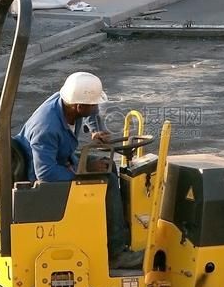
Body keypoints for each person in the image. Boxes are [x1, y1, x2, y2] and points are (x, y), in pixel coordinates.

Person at [14, 71, 143, 269]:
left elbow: (90, 113)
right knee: (105, 178)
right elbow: (45, 173)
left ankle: (115, 230)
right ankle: (116, 253)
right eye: (92, 105)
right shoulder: (47, 128)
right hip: (44, 177)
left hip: (61, 159)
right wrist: (83, 169)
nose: (95, 108)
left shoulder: (66, 102)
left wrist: (95, 130)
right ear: (79, 106)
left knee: (108, 165)